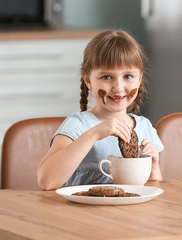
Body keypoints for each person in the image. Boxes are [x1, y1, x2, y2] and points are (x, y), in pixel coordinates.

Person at [37, 30, 164, 190]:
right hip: (85, 213)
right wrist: (94, 134)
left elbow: (155, 188)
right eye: (106, 77)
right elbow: (46, 180)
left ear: (140, 78)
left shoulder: (145, 128)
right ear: (88, 80)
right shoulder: (78, 125)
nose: (118, 87)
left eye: (128, 76)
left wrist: (153, 167)